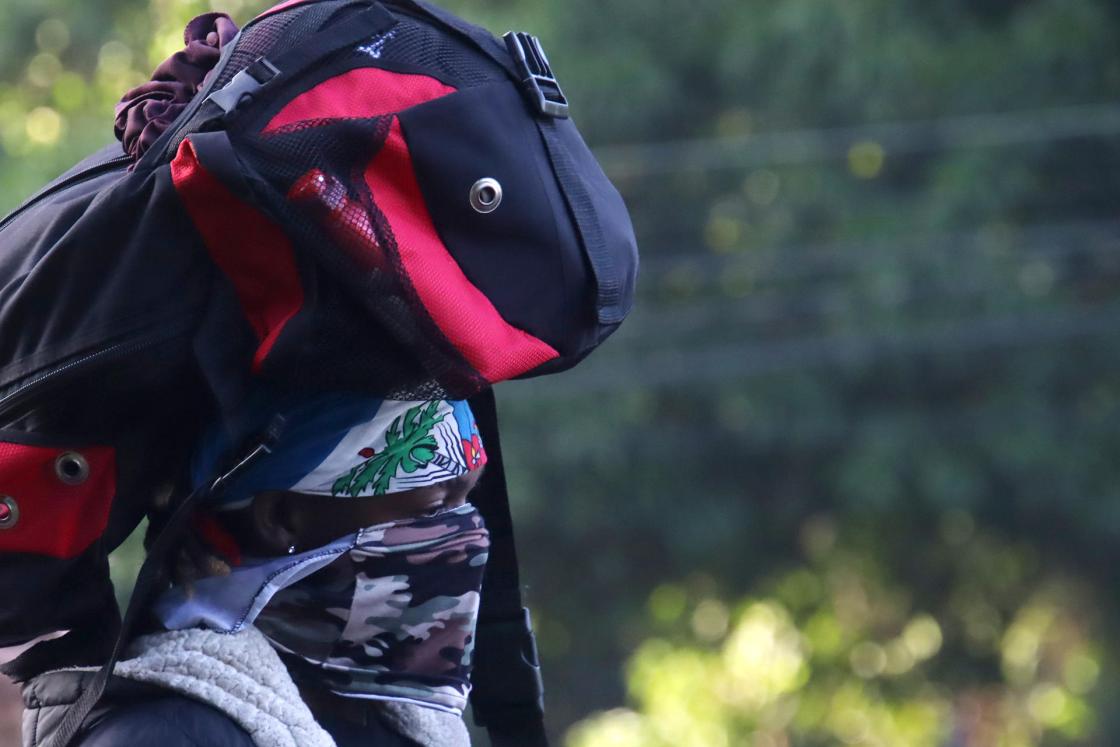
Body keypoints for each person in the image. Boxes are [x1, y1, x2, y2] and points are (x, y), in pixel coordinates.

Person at [20, 391, 492, 747]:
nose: (468, 530)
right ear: (279, 518)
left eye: (466, 500)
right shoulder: (165, 734)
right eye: (433, 507)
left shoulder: (385, 715)